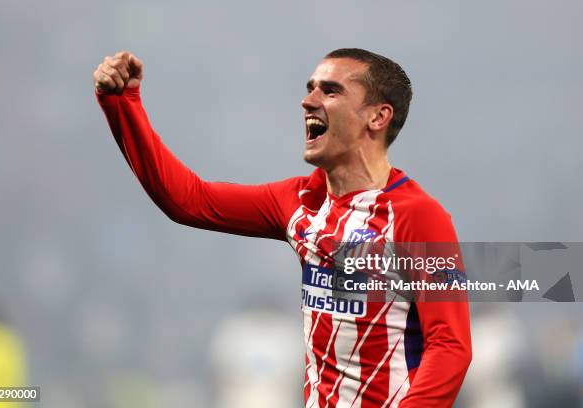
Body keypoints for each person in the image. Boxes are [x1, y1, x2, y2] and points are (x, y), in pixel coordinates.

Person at [93, 48, 472, 407]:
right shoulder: (300, 201)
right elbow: (187, 200)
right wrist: (122, 104)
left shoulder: (418, 217)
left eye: (331, 90)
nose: (308, 101)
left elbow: (450, 345)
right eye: (310, 88)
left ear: (377, 117)